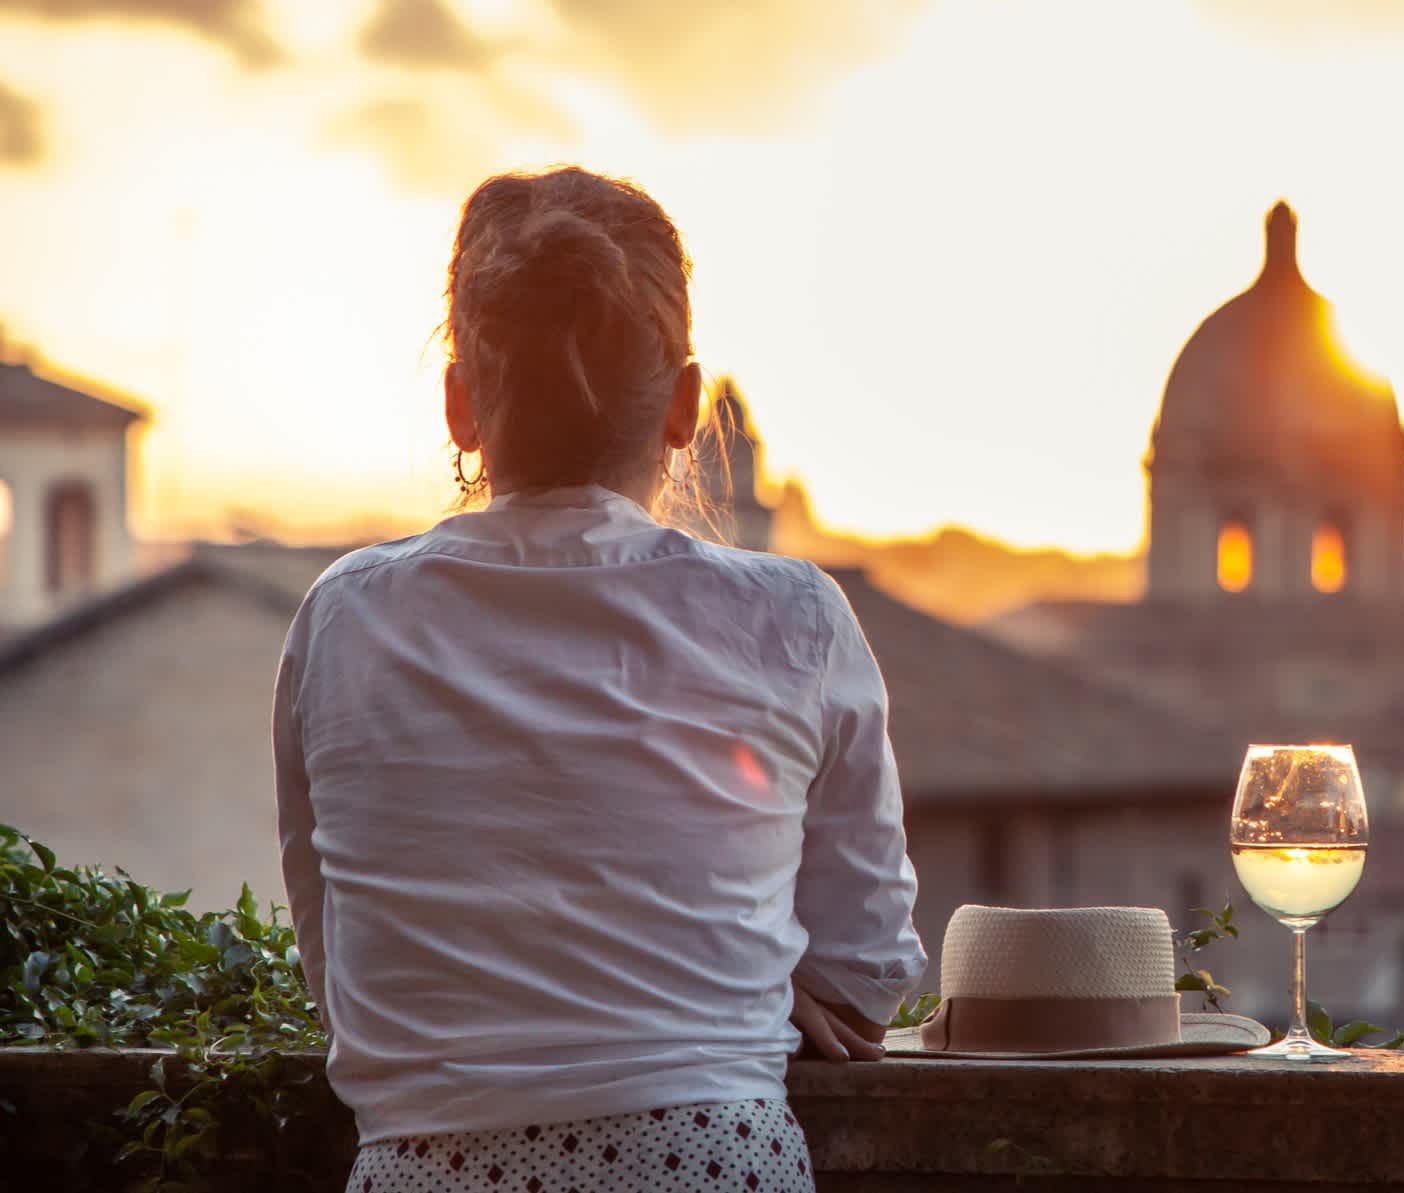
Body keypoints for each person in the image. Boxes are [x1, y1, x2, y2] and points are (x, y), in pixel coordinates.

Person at [273, 166, 924, 1193]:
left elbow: (341, 970)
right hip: (713, 1169)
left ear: (459, 405)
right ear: (683, 405)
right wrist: (742, 990)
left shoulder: (345, 617)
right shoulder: (796, 619)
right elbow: (866, 984)